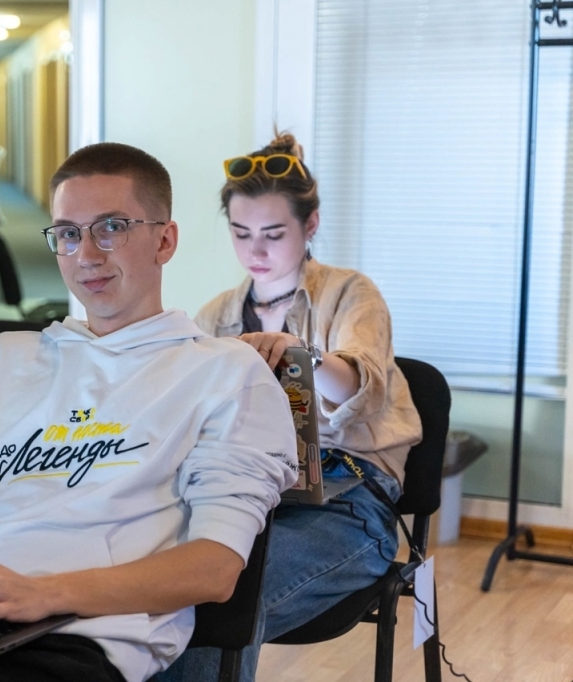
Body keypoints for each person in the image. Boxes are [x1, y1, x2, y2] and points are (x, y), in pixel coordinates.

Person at [0, 142, 299, 682]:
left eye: (111, 227)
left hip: (74, 638)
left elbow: (215, 568)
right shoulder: (2, 358)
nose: (86, 254)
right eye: (68, 233)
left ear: (165, 240)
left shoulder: (227, 373)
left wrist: (45, 592)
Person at [158, 133, 423, 682]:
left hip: (349, 501)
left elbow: (362, 388)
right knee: (159, 584)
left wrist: (305, 356)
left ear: (311, 225)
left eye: (273, 234)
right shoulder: (216, 317)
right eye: (241, 233)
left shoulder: (350, 294)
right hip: (250, 493)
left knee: (220, 598)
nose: (255, 251)